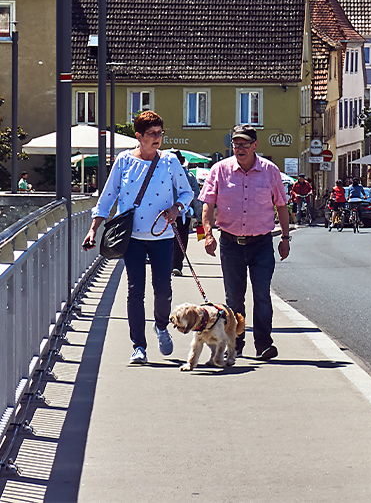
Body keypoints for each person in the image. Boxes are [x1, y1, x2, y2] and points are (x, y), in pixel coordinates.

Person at [82, 111, 194, 365]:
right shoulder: (123, 161)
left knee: (163, 289)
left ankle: (162, 326)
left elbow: (187, 193)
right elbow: (108, 196)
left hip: (162, 235)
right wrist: (93, 228)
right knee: (135, 290)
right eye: (151, 134)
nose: (157, 138)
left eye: (160, 133)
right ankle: (138, 346)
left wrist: (176, 208)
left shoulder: (170, 162)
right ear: (139, 136)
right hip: (131, 236)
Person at [199, 124, 290, 361]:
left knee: (261, 294)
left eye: (244, 144)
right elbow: (208, 203)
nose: (239, 149)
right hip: (230, 243)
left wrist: (285, 238)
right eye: (236, 144)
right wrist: (208, 234)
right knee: (234, 299)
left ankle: (264, 344)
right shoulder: (219, 170)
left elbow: (281, 205)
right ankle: (235, 344)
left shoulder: (270, 171)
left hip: (261, 244)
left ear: (255, 146)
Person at [171, 150, 203, 276]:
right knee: (181, 240)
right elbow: (196, 197)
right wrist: (200, 217)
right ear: (182, 161)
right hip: (183, 214)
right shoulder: (189, 176)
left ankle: (167, 265)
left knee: (167, 240)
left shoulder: (162, 175)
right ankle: (177, 265)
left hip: (165, 215)